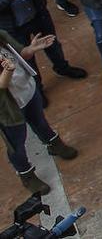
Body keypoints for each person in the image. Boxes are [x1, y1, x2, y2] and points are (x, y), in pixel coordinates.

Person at [0, 27, 79, 197]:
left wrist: (32, 49)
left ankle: (54, 145)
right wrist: (8, 70)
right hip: (8, 110)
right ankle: (26, 175)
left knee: (40, 122)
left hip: (28, 90)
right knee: (17, 145)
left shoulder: (1, 34)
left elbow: (22, 53)